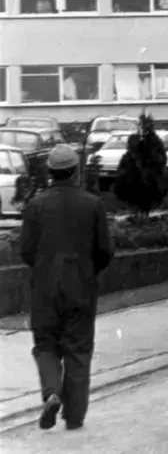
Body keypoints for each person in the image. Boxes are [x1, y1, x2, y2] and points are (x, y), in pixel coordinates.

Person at [19, 145, 114, 432]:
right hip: (80, 286)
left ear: (51, 172)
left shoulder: (35, 205)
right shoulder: (92, 204)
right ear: (75, 171)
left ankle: (52, 393)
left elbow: (25, 250)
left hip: (45, 286)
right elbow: (105, 250)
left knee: (46, 344)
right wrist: (87, 270)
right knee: (78, 349)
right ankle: (74, 416)